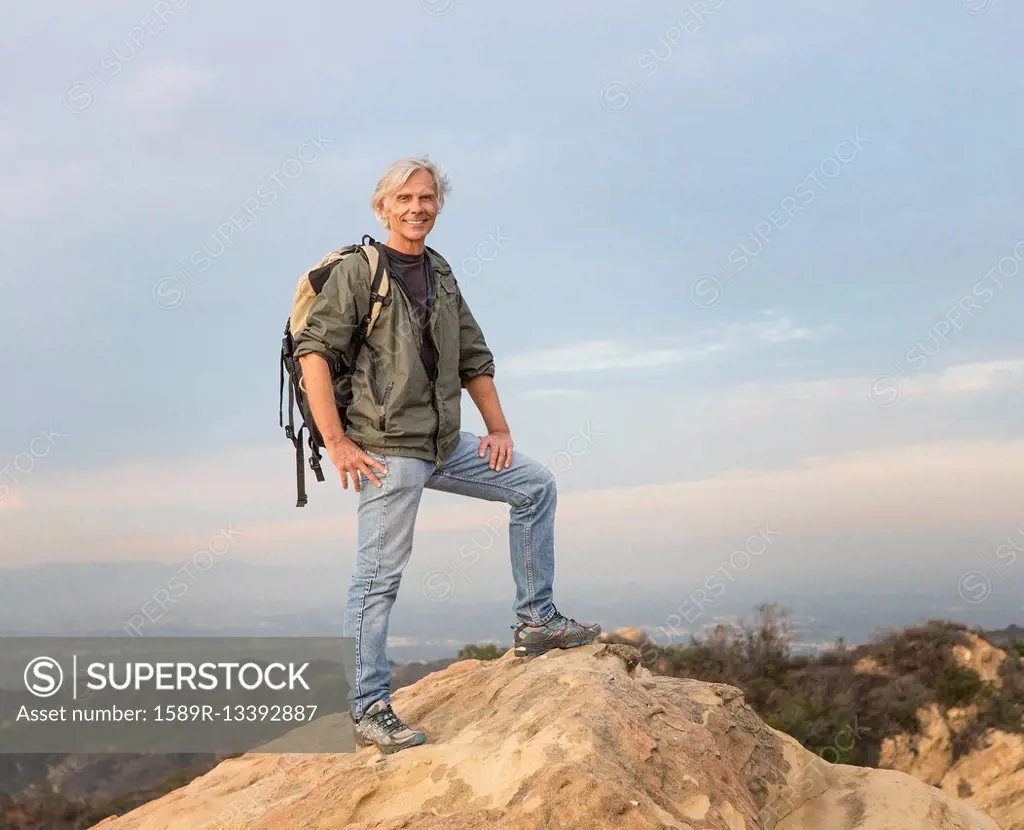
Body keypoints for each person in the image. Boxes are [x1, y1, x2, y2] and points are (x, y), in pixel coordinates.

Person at [292, 157, 600, 755]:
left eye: (427, 198)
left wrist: (499, 428)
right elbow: (314, 355)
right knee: (377, 580)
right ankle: (368, 708)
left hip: (442, 443)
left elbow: (474, 357)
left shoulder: (441, 272)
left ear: (438, 205)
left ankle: (536, 621)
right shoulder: (361, 272)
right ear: (383, 207)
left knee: (534, 486)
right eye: (404, 199)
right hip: (387, 451)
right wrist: (338, 442)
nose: (417, 208)